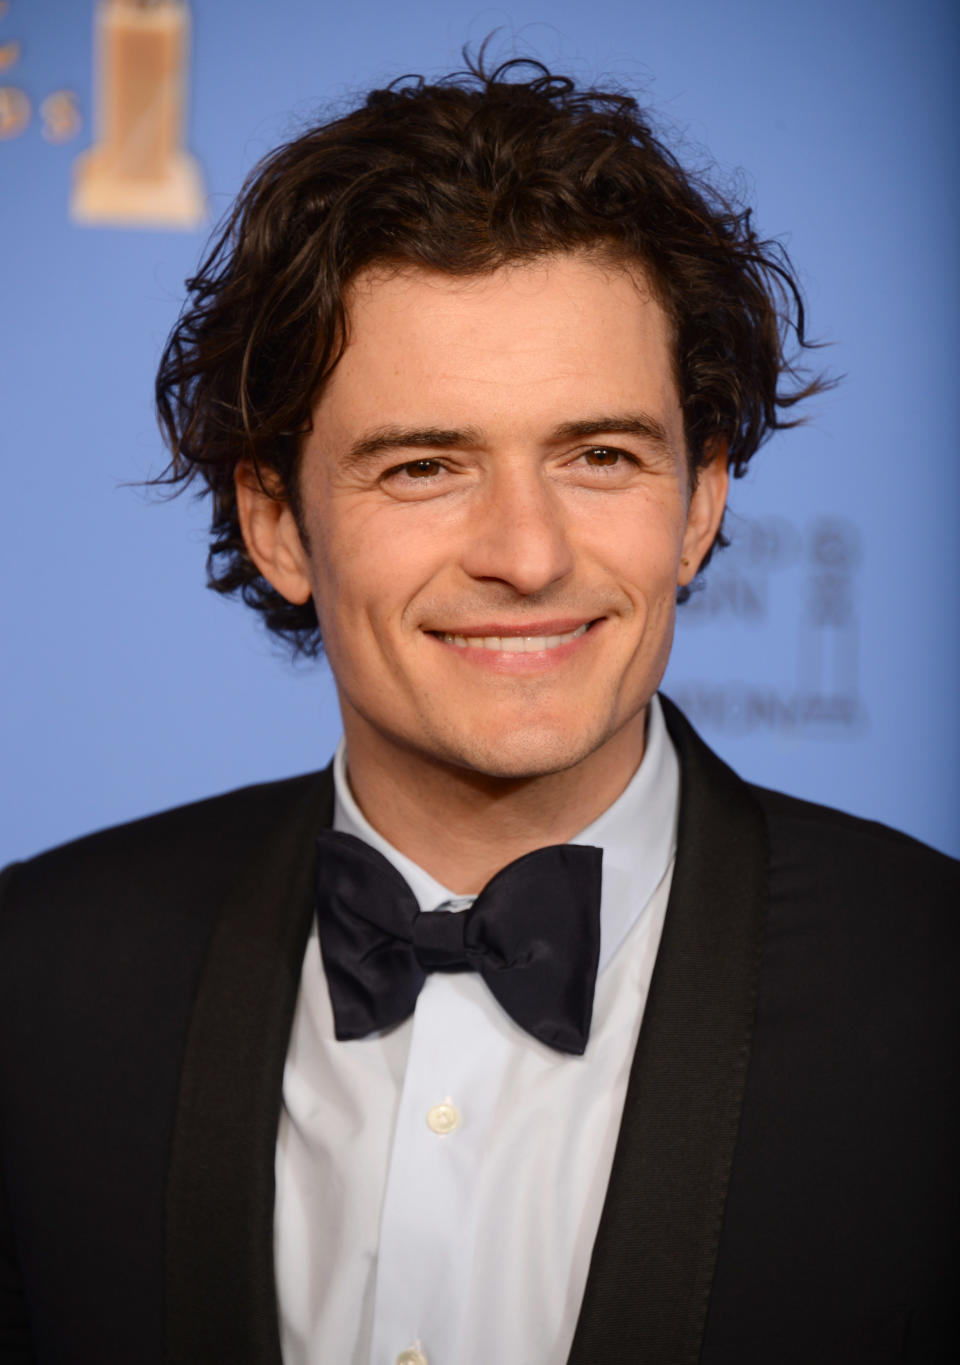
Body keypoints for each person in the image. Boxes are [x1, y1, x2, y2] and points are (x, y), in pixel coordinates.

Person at [1, 55, 956, 1365]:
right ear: (278, 520)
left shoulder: (934, 985)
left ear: (700, 501)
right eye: (427, 465)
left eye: (599, 455)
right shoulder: (35, 987)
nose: (527, 550)